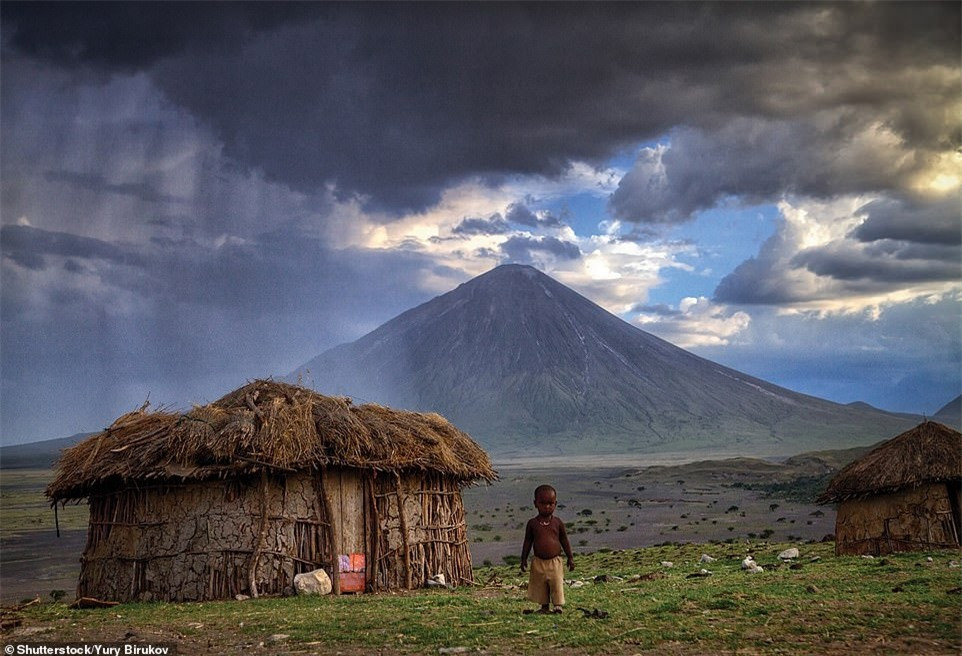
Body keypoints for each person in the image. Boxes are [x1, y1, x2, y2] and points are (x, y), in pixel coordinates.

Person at [519, 484, 575, 614]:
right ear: (535, 504)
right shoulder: (532, 524)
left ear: (556, 503)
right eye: (543, 503)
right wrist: (523, 559)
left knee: (556, 584)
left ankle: (557, 605)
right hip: (538, 562)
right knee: (540, 585)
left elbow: (564, 540)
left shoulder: (557, 522)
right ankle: (544, 607)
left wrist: (570, 558)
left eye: (550, 503)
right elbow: (528, 541)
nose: (547, 506)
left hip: (555, 561)